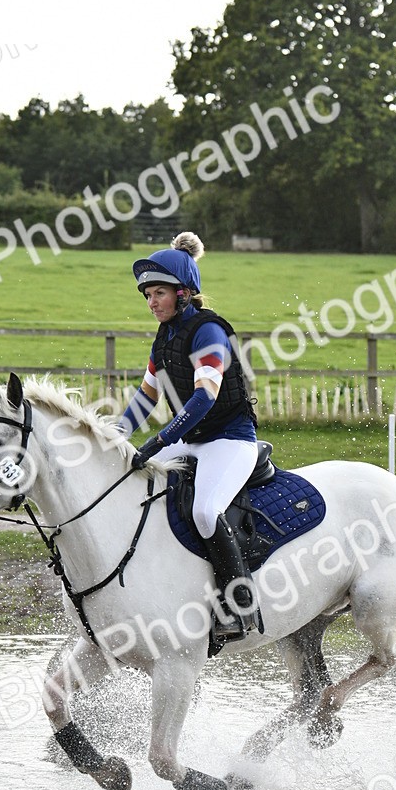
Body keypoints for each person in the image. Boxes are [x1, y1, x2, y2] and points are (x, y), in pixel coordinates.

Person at [118, 232, 260, 640]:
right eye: (147, 295)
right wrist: (114, 436)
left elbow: (203, 399)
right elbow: (145, 398)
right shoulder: (163, 338)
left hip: (230, 439)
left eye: (159, 293)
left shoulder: (207, 332)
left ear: (183, 293)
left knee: (203, 511)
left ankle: (238, 606)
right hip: (193, 438)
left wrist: (159, 442)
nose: (151, 303)